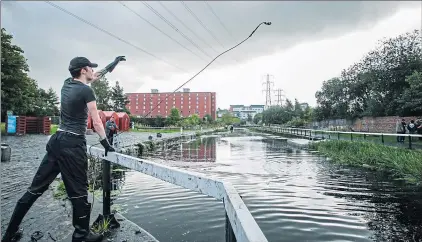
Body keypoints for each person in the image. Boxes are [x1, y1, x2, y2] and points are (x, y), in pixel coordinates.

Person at [2, 57, 116, 242]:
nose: (93, 72)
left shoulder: (67, 84)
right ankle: (81, 236)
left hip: (57, 141)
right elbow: (96, 121)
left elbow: (96, 76)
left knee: (35, 189)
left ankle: (9, 233)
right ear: (83, 70)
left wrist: (112, 66)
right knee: (79, 191)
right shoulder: (87, 91)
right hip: (73, 144)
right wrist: (106, 145)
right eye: (90, 68)